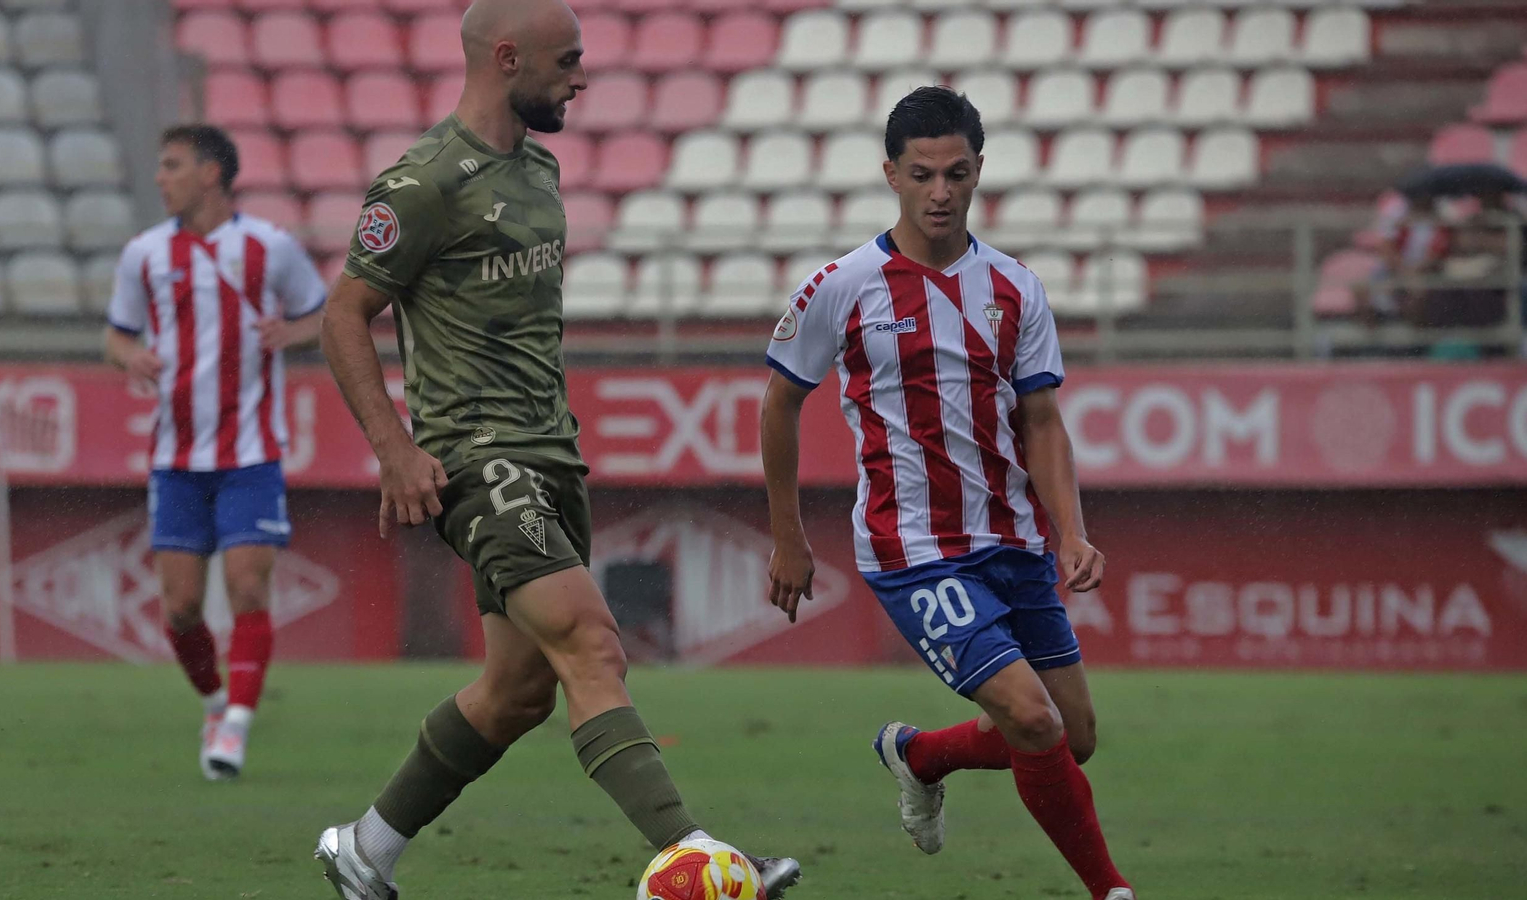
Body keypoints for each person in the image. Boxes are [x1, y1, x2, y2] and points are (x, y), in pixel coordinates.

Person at [312, 1, 800, 897]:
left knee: (517, 692)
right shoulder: (422, 183)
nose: (582, 77)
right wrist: (395, 449)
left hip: (552, 456)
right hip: (478, 457)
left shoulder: (539, 168)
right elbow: (343, 315)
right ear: (507, 59)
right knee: (592, 642)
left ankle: (365, 848)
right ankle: (695, 858)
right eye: (568, 61)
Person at [759, 87, 1134, 900]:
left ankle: (922, 755)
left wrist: (1071, 531)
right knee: (1033, 721)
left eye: (956, 174)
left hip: (1013, 539)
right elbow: (780, 401)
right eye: (922, 174)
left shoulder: (1014, 287)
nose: (940, 192)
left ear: (978, 173)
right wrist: (788, 534)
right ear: (890, 173)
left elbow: (1042, 420)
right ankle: (1111, 890)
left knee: (1074, 735)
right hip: (913, 548)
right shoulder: (844, 284)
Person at [104, 124, 327, 780]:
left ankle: (235, 729)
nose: (159, 177)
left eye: (171, 165)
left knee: (248, 586)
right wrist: (132, 355)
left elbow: (326, 314)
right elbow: (114, 335)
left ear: (210, 174)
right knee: (179, 606)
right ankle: (213, 701)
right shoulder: (144, 254)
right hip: (175, 458)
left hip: (251, 454)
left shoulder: (270, 248)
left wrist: (292, 332)